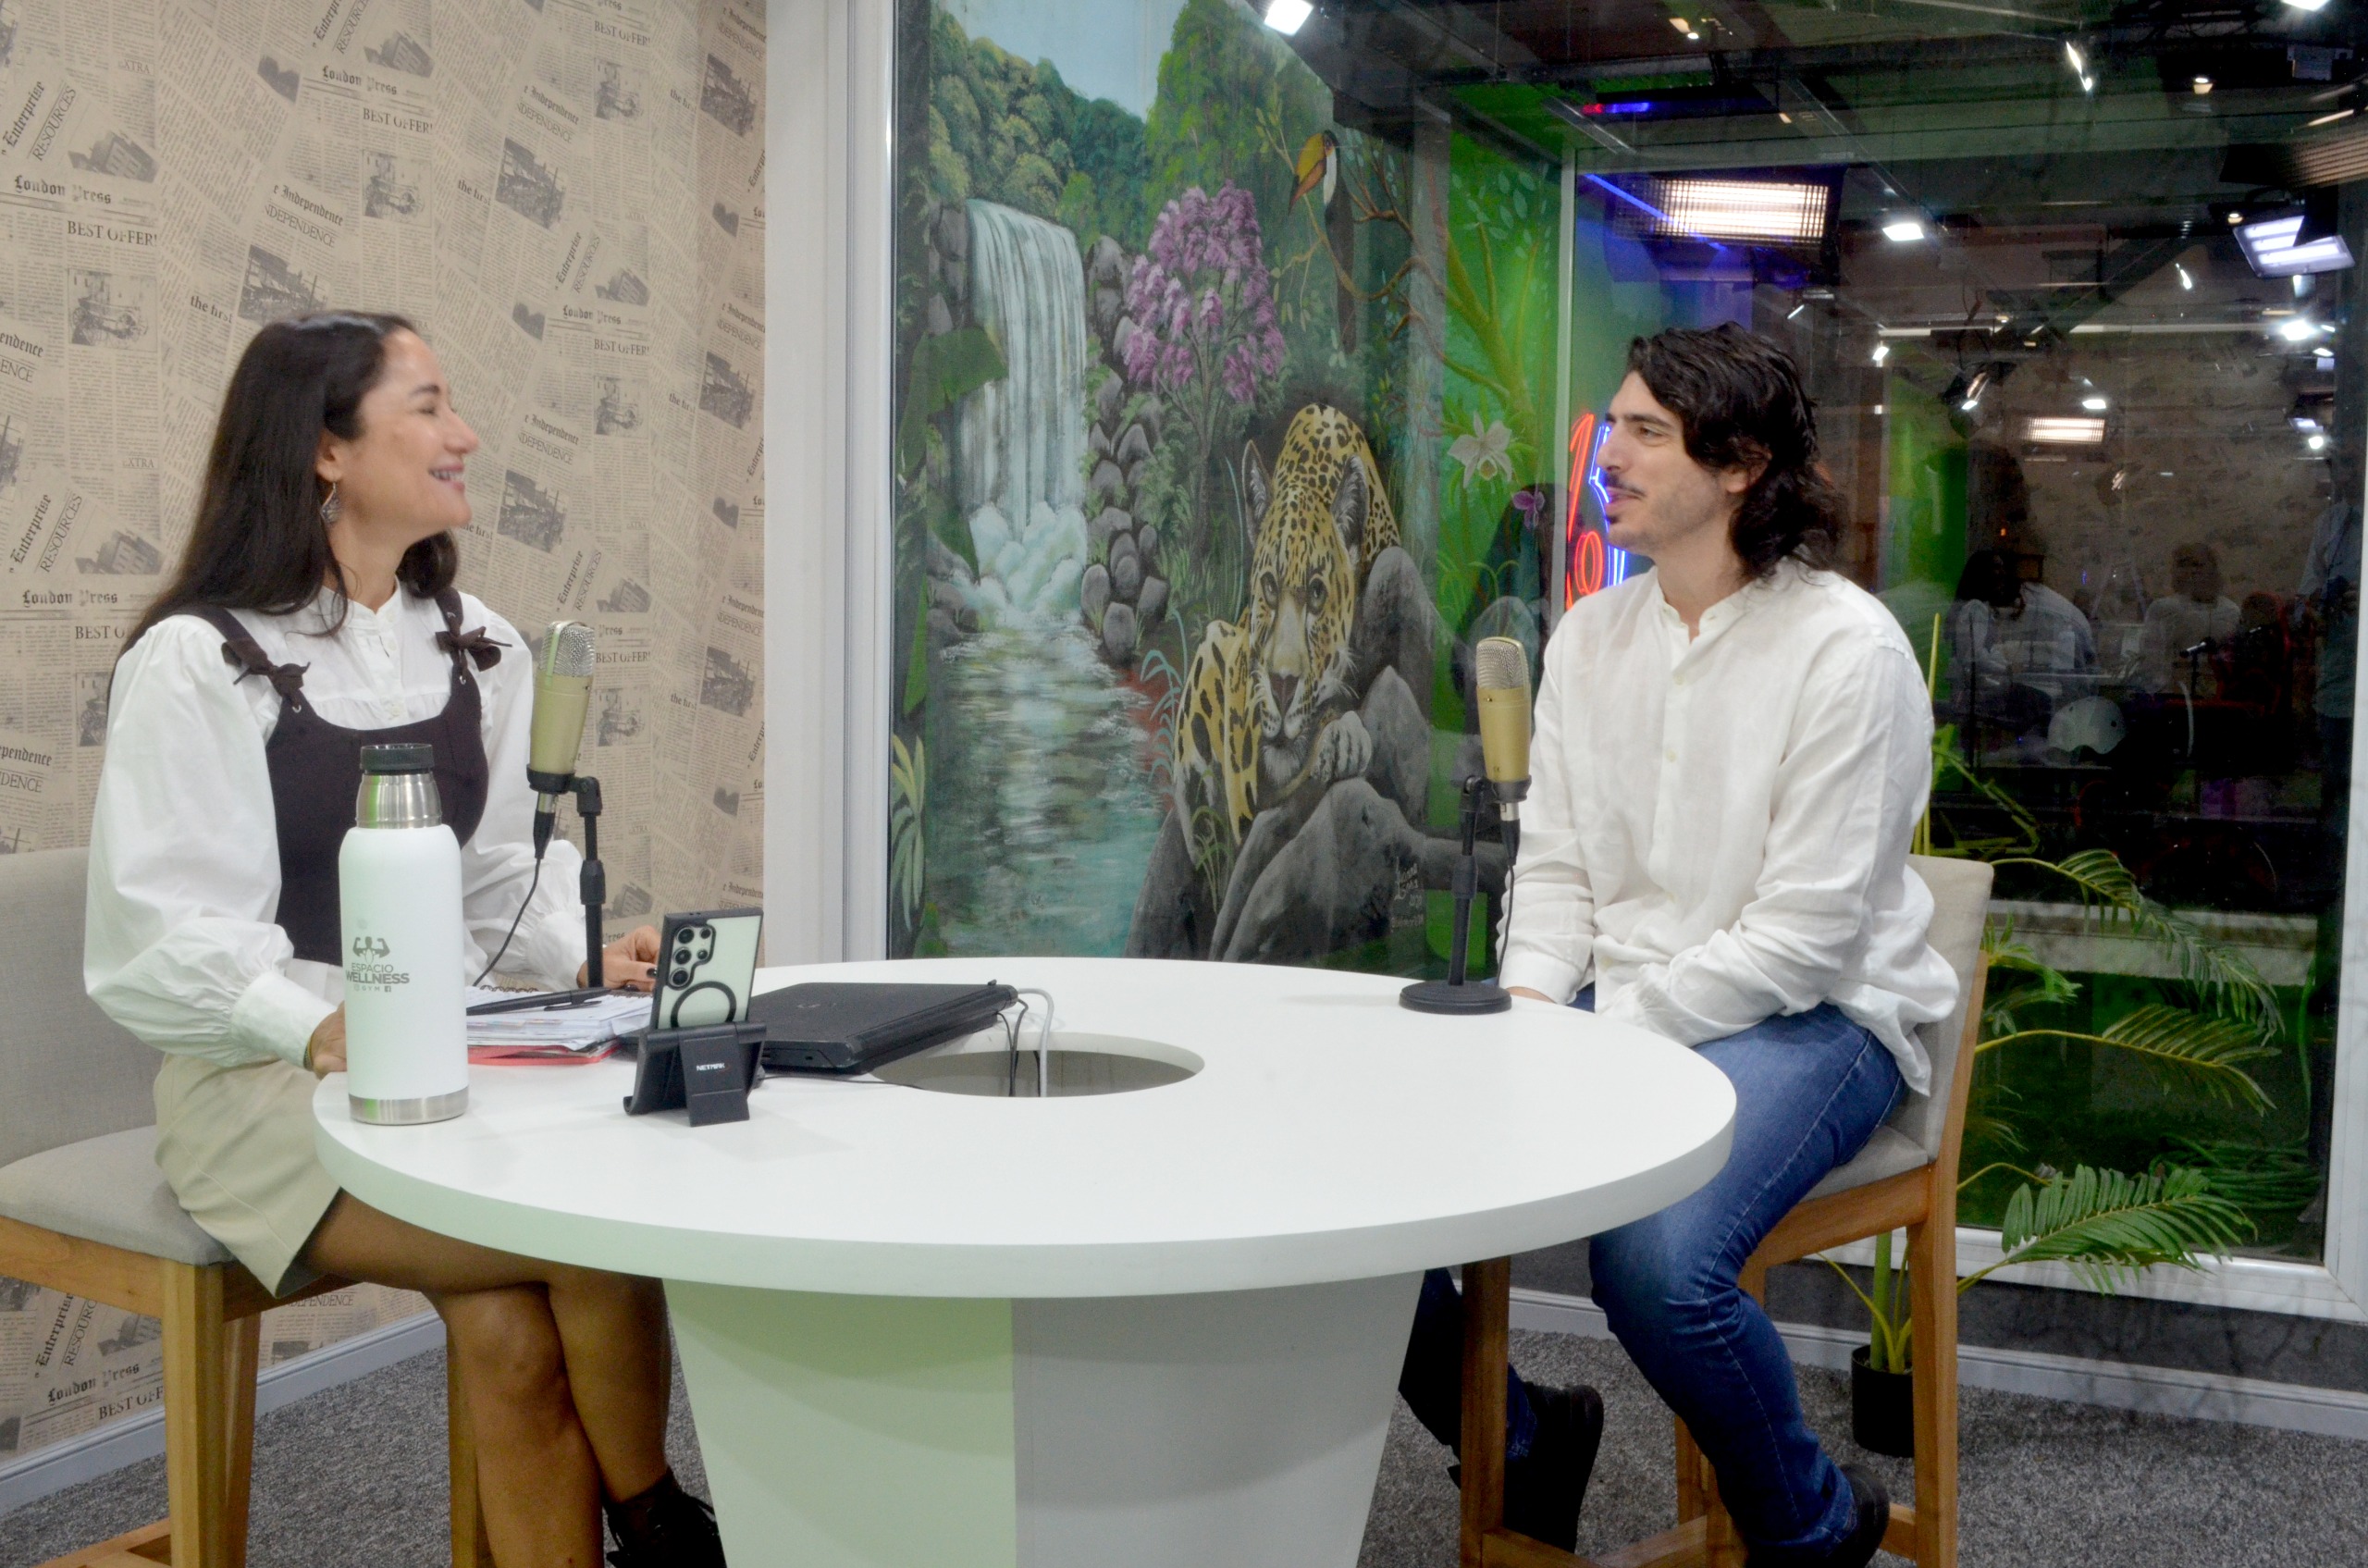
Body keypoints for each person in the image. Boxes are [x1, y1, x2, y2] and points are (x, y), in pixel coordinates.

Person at [85, 313, 724, 1568]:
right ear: (326, 449)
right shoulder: (198, 661)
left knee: (509, 1326)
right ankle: (660, 1522)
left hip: (442, 1065)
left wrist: (580, 957)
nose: (464, 434)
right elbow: (158, 934)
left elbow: (494, 879)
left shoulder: (476, 643)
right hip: (259, 1093)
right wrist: (314, 1029)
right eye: (428, 406)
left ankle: (645, 1532)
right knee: (589, 1238)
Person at [1397, 325, 1958, 1568]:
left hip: (1821, 1020)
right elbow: (1556, 870)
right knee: (1366, 1186)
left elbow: (1802, 943)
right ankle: (1524, 1444)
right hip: (1623, 1009)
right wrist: (1531, 1013)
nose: (1611, 455)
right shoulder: (1590, 638)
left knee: (1657, 1267)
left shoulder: (1848, 653)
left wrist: (1601, 1035)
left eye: (1648, 432)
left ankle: (1812, 1526)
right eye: (1615, 427)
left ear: (1742, 466)